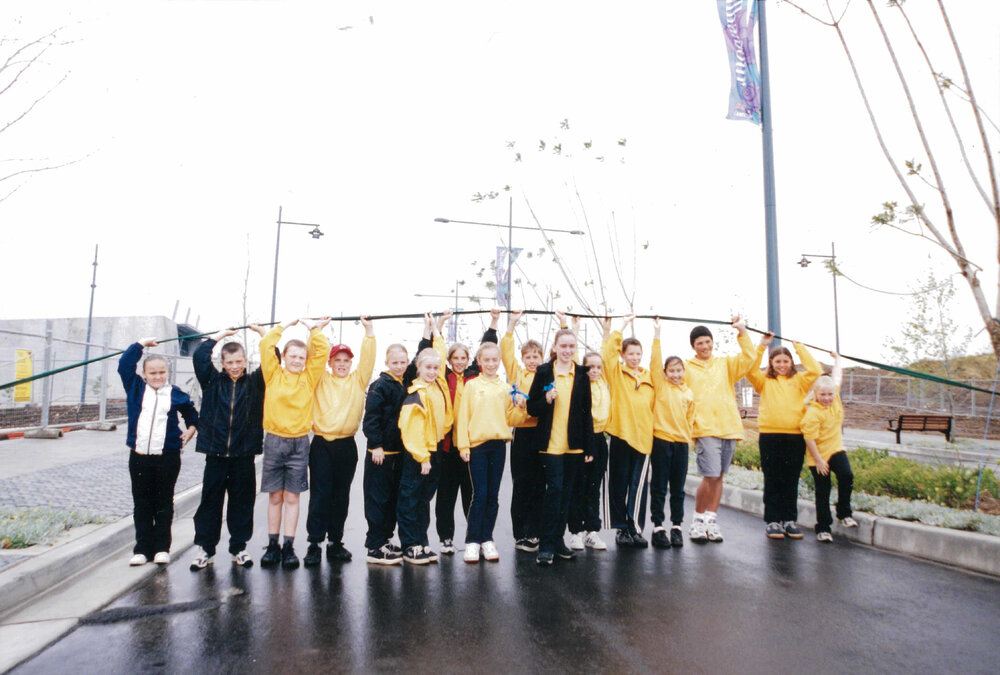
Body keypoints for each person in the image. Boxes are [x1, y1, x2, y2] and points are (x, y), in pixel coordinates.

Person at [189, 326, 265, 571]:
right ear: (222, 363)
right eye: (230, 362)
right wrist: (219, 336)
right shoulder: (211, 382)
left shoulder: (255, 383)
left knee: (242, 502)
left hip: (244, 455)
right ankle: (206, 549)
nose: (235, 366)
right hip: (216, 454)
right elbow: (199, 356)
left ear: (246, 361)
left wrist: (264, 335)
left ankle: (239, 548)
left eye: (239, 361)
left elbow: (272, 360)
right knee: (210, 503)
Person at [118, 338, 198, 566]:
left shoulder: (176, 394)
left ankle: (162, 548)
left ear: (168, 373)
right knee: (142, 503)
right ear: (143, 374)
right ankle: (142, 549)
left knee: (164, 502)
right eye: (152, 373)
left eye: (162, 372)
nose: (157, 376)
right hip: (139, 456)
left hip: (168, 457)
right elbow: (124, 364)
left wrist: (191, 429)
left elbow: (192, 414)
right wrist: (140, 344)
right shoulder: (135, 388)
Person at [258, 317, 330, 569]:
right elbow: (266, 344)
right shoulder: (273, 375)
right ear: (284, 357)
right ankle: (273, 545)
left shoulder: (309, 377)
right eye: (293, 356)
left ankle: (288, 546)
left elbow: (323, 350)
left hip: (299, 444)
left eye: (302, 357)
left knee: (292, 497)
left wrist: (314, 329)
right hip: (274, 442)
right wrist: (284, 326)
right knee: (275, 496)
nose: (298, 361)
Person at [304, 316, 376, 567]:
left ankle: (335, 542)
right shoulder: (320, 378)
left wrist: (369, 331)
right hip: (322, 445)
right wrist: (316, 331)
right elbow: (313, 356)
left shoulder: (358, 380)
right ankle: (314, 543)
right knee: (320, 495)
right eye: (338, 360)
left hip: (346, 446)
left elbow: (368, 360)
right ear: (330, 362)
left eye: (346, 361)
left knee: (340, 496)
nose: (342, 364)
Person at [428, 309, 500, 555]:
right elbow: (436, 350)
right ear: (449, 360)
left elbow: (487, 347)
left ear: (470, 360)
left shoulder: (474, 376)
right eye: (455, 358)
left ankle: (476, 537)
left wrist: (493, 322)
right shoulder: (443, 377)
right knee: (446, 496)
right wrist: (438, 325)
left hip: (472, 445)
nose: (459, 361)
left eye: (463, 358)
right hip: (449, 447)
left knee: (472, 495)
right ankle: (446, 538)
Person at [684, 317, 755, 543]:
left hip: (729, 428)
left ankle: (711, 520)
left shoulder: (725, 364)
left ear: (712, 342)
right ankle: (697, 520)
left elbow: (749, 357)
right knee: (710, 475)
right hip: (704, 429)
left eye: (708, 342)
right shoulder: (686, 368)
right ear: (693, 347)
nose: (705, 346)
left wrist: (742, 333)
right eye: (700, 343)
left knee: (719, 476)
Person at [455, 341, 527, 563]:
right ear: (479, 361)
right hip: (477, 446)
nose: (490, 364)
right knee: (480, 494)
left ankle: (487, 538)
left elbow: (512, 419)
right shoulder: (471, 386)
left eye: (494, 360)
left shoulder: (505, 388)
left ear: (499, 361)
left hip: (498, 446)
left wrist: (520, 406)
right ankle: (472, 541)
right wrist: (463, 445)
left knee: (493, 496)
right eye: (486, 360)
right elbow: (463, 417)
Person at [746, 332, 822, 540]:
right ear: (771, 363)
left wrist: (799, 347)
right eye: (777, 361)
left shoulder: (800, 380)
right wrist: (762, 346)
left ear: (791, 362)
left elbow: (816, 370)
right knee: (772, 478)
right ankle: (773, 521)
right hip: (770, 436)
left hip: (795, 437)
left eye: (786, 361)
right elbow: (750, 369)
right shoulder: (763, 380)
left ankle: (789, 520)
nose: (782, 365)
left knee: (791, 479)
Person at [528, 326, 592, 565]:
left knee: (566, 495)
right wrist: (545, 400)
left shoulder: (582, 374)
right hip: (551, 445)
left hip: (574, 446)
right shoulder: (545, 371)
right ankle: (546, 545)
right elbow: (532, 407)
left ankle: (558, 542)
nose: (567, 350)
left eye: (571, 346)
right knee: (554, 491)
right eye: (563, 346)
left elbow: (587, 412)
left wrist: (589, 447)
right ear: (555, 347)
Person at [601, 314, 655, 548]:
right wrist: (620, 327)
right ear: (623, 355)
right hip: (621, 436)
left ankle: (635, 528)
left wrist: (657, 333)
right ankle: (621, 529)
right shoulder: (616, 374)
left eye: (638, 354)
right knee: (618, 484)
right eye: (630, 354)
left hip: (643, 440)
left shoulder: (649, 377)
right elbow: (607, 355)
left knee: (638, 487)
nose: (634, 357)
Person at [397, 337, 450, 565]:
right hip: (420, 455)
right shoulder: (416, 393)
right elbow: (411, 430)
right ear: (418, 367)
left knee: (423, 500)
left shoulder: (437, 387)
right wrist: (423, 457)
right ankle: (410, 545)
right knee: (410, 499)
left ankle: (421, 541)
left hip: (434, 450)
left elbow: (441, 355)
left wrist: (437, 331)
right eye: (428, 367)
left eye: (436, 368)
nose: (433, 371)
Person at [361, 342, 414, 565]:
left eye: (403, 362)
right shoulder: (380, 386)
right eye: (395, 362)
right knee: (377, 499)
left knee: (392, 499)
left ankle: (384, 540)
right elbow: (370, 419)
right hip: (380, 454)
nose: (399, 366)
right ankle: (374, 546)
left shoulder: (405, 383)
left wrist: (430, 328)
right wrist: (376, 445)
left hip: (398, 453)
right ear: (386, 362)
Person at [649, 318, 695, 548]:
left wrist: (688, 439)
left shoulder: (688, 393)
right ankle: (658, 527)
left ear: (683, 371)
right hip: (661, 442)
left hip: (681, 445)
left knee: (678, 488)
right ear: (665, 372)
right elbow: (655, 362)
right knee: (659, 487)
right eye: (671, 371)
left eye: (679, 370)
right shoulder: (661, 386)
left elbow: (691, 419)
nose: (676, 374)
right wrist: (657, 335)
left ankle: (676, 526)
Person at [802, 353, 858, 542]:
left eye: (830, 394)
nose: (827, 398)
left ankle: (844, 513)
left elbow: (837, 377)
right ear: (816, 394)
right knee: (823, 490)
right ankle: (823, 528)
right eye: (823, 395)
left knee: (846, 475)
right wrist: (819, 461)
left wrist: (837, 360)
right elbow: (809, 439)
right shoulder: (812, 413)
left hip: (835, 449)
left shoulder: (836, 401)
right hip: (817, 454)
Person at [501, 310, 545, 552]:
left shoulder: (547, 374)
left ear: (542, 357)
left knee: (539, 484)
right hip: (521, 433)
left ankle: (535, 532)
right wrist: (512, 324)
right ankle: (520, 533)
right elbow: (506, 352)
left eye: (536, 356)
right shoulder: (517, 373)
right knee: (521, 483)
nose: (532, 360)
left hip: (542, 433)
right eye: (528, 356)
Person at [567, 350, 611, 551]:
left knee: (594, 487)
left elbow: (609, 352)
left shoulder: (603, 383)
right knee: (578, 487)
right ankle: (575, 532)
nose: (595, 370)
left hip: (600, 438)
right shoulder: (580, 385)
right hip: (583, 438)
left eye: (598, 367)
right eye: (590, 367)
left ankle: (592, 531)